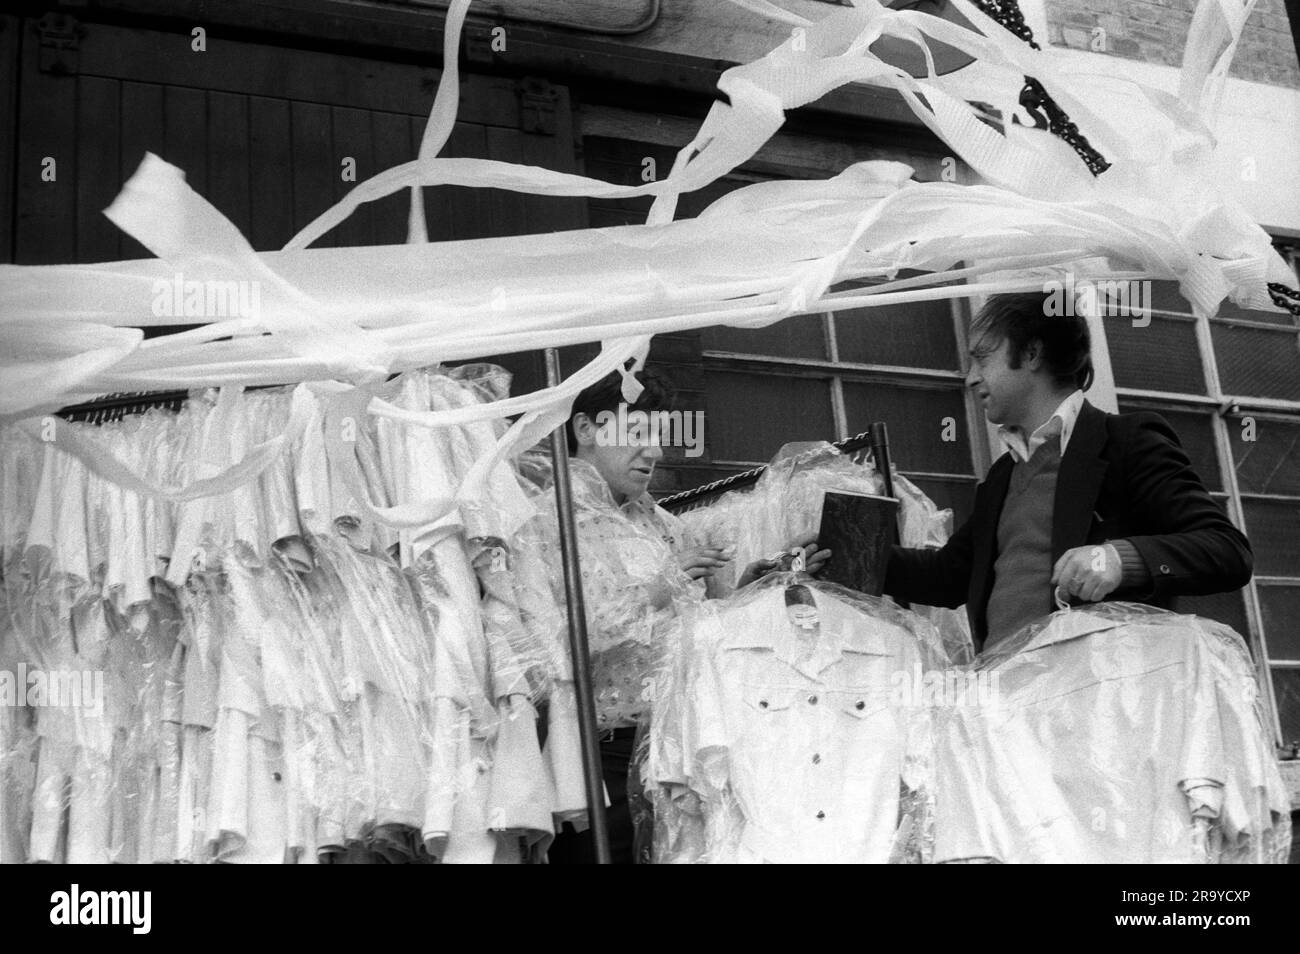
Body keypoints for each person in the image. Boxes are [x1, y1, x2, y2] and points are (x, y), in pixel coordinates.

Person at [543, 365, 826, 863]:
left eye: (657, 436)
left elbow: (702, 628)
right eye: (634, 433)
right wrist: (661, 585)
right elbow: (551, 643)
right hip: (596, 749)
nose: (651, 451)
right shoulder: (548, 521)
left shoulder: (665, 527)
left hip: (679, 740)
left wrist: (755, 587)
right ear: (585, 429)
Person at [884, 290, 1253, 653]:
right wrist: (839, 547)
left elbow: (1227, 550)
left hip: (1089, 696)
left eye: (982, 358)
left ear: (1031, 353)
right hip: (1003, 698)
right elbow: (943, 577)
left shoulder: (1127, 441)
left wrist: (1118, 558)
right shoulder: (1002, 476)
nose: (971, 378)